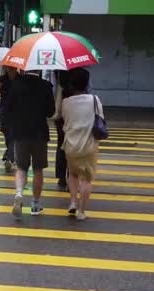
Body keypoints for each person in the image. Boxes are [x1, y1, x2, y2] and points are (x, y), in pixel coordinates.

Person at [6, 70, 55, 219]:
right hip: (39, 134)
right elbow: (50, 112)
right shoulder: (46, 86)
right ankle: (35, 204)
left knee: (21, 168)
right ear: (39, 70)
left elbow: (8, 109)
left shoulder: (15, 85)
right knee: (38, 169)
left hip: (20, 133)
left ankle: (19, 193)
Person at [61, 68, 102, 221]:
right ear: (86, 84)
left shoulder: (66, 102)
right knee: (86, 178)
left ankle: (72, 201)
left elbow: (63, 118)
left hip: (71, 145)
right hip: (89, 145)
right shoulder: (94, 100)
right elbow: (101, 118)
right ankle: (82, 211)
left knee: (72, 174)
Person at [0, 66, 18, 172]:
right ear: (6, 68)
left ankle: (9, 157)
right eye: (9, 68)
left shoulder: (21, 80)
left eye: (13, 68)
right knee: (8, 137)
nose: (11, 70)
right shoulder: (1, 79)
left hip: (17, 113)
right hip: (4, 113)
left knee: (14, 136)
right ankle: (9, 154)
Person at [52, 70, 71, 189]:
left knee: (61, 144)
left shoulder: (57, 73)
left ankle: (62, 177)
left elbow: (54, 92)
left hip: (60, 115)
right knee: (74, 146)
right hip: (76, 113)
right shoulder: (83, 73)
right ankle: (71, 176)